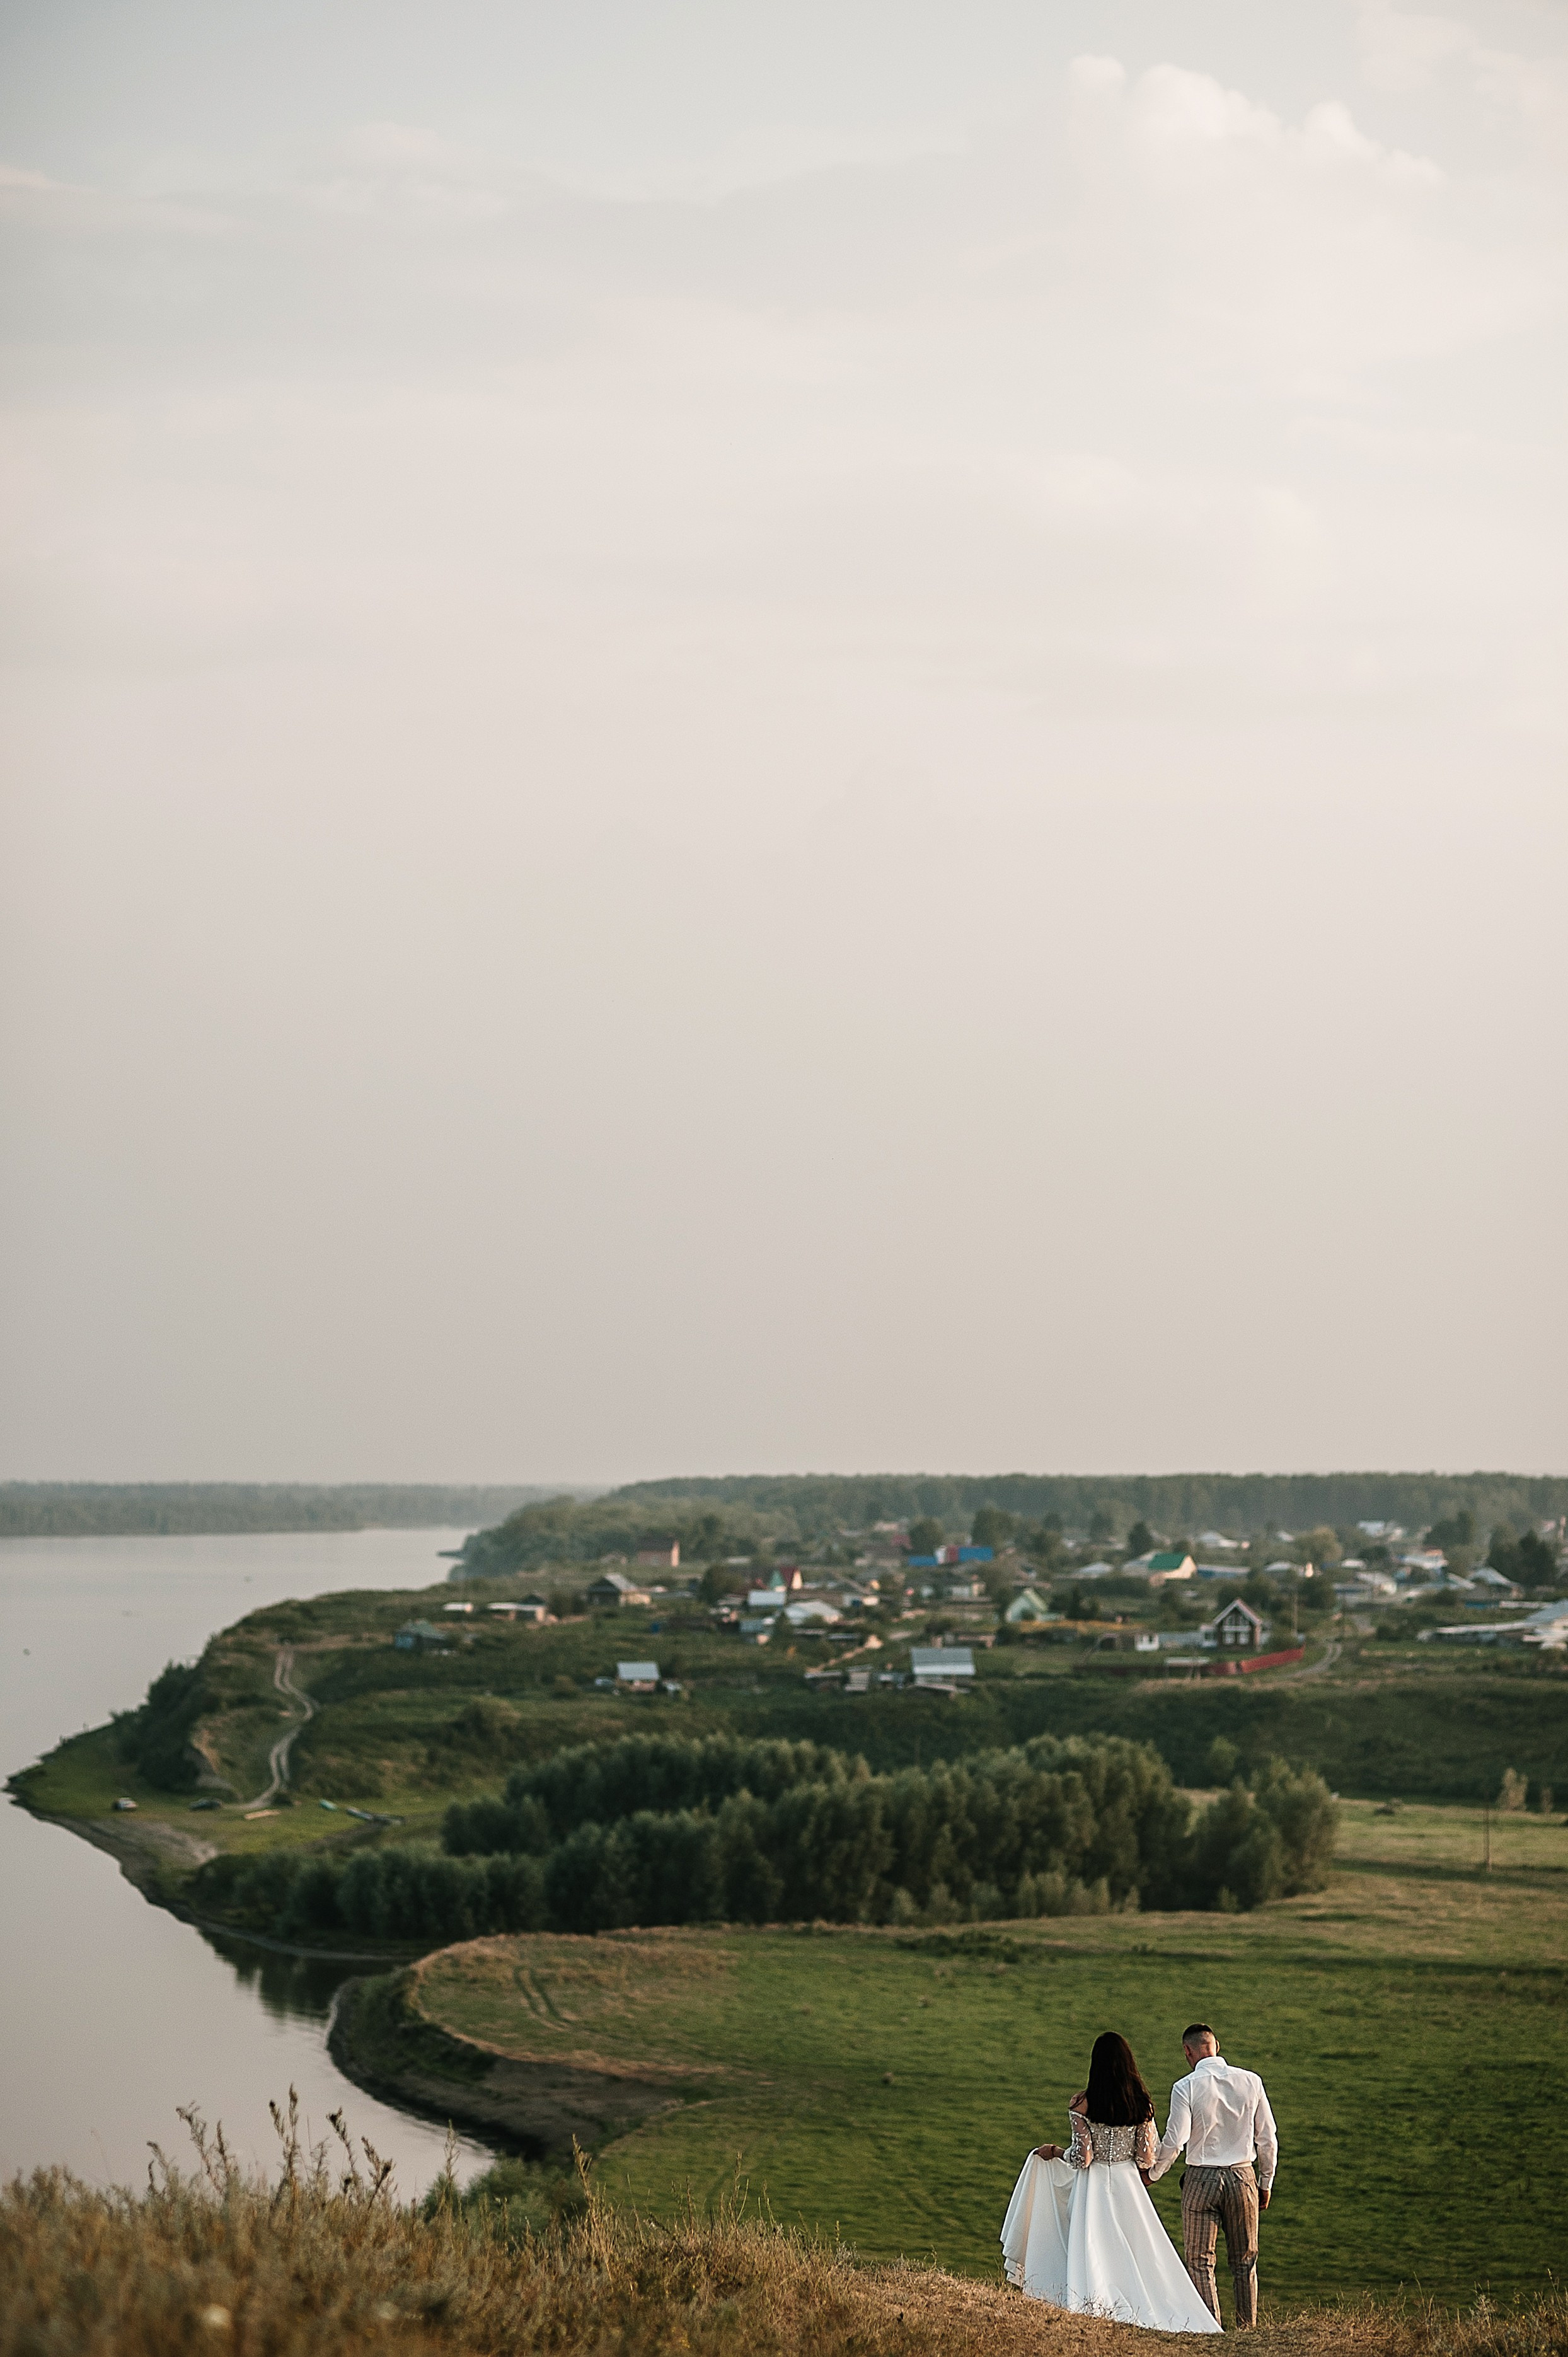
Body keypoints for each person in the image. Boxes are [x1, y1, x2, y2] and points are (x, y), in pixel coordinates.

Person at [1000, 2032, 1221, 2333]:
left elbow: (1083, 2158)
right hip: (1128, 2183)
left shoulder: (1083, 2104)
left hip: (1093, 2187)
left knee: (1092, 2242)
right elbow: (1146, 2157)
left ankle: (1094, 2300)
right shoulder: (1141, 2104)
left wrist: (1054, 2152)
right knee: (1139, 2248)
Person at [1146, 2022, 1278, 2330]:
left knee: (1200, 2262)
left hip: (1200, 2179)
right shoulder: (1251, 2081)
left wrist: (1154, 2173)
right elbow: (1268, 2138)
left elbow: (1176, 2140)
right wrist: (1265, 2182)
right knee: (1245, 2261)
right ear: (1216, 2046)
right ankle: (1248, 2328)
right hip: (1243, 2176)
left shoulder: (1185, 2087)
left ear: (1188, 2052)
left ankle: (1211, 2329)